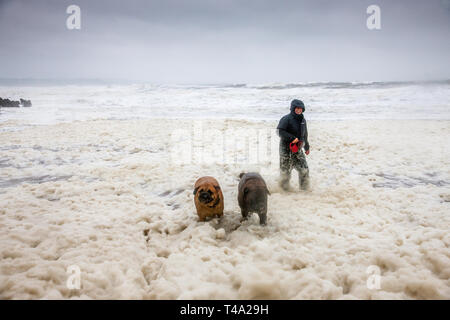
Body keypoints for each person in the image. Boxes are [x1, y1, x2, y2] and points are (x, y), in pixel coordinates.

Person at [276, 99, 310, 191]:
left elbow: (305, 134)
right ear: (293, 109)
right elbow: (279, 131)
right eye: (297, 108)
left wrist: (306, 147)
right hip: (286, 149)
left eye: (301, 108)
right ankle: (284, 191)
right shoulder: (286, 119)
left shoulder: (303, 120)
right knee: (285, 172)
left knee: (304, 169)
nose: (299, 110)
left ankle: (304, 190)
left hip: (298, 149)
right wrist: (292, 138)